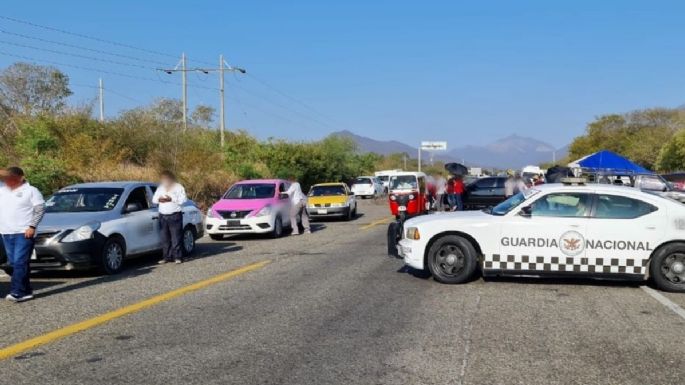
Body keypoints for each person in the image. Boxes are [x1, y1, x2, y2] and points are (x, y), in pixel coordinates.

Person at [0, 167, 45, 302]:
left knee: (20, 262)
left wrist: (32, 226)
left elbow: (40, 209)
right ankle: (26, 291)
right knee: (14, 263)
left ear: (20, 177)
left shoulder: (31, 191)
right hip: (6, 232)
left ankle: (17, 292)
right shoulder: (3, 189)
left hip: (24, 232)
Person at [152, 171, 187, 264]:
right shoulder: (160, 188)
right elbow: (154, 199)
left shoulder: (178, 187)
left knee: (176, 237)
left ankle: (178, 257)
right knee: (165, 238)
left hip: (174, 215)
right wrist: (159, 199)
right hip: (163, 215)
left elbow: (183, 200)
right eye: (163, 178)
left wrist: (171, 199)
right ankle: (167, 257)